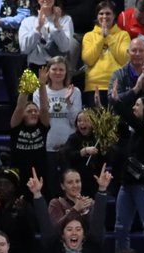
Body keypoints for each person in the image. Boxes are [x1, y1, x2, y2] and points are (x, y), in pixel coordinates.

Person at [113, 97, 144, 253]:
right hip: (127, 183)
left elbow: (133, 121)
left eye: (138, 105)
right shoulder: (134, 130)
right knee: (120, 228)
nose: (134, 107)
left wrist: (116, 102)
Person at [34, 55, 81, 189]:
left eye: (61, 70)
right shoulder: (39, 92)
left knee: (70, 185)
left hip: (69, 146)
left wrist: (68, 102)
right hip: (48, 145)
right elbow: (41, 122)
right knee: (51, 185)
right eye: (54, 69)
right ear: (48, 72)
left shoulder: (74, 91)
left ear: (66, 72)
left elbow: (76, 122)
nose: (58, 73)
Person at [8, 78, 51, 199]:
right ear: (23, 115)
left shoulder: (42, 127)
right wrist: (26, 89)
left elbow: (44, 108)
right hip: (19, 176)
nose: (33, 113)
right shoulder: (16, 127)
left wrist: (42, 85)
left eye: (35, 111)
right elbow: (19, 107)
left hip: (39, 175)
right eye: (29, 111)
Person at [82, 2, 128, 105]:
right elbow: (88, 60)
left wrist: (109, 38)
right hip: (93, 86)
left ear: (114, 16)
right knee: (95, 121)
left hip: (117, 86)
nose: (104, 16)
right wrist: (101, 38)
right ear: (97, 16)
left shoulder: (123, 35)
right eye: (101, 13)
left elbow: (125, 59)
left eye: (108, 13)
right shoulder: (88, 36)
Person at [108, 38, 144, 106]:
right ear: (128, 53)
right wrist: (135, 90)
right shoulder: (118, 74)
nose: (137, 54)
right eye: (134, 50)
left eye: (141, 51)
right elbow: (112, 101)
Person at [19, 0, 74, 69]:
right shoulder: (27, 21)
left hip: (57, 68)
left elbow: (65, 48)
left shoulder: (66, 19)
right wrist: (38, 28)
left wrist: (57, 25)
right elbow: (24, 49)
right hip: (34, 66)